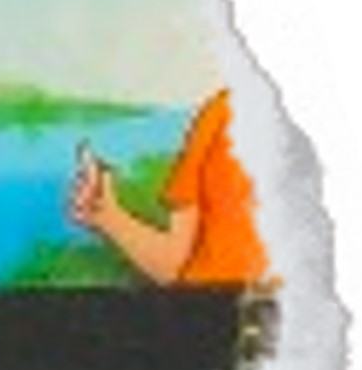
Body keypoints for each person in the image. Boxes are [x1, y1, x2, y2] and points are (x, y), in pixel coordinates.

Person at [68, 91, 270, 289]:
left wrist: (105, 213)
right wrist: (106, 213)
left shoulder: (223, 113)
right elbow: (171, 264)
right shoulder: (221, 114)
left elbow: (171, 263)